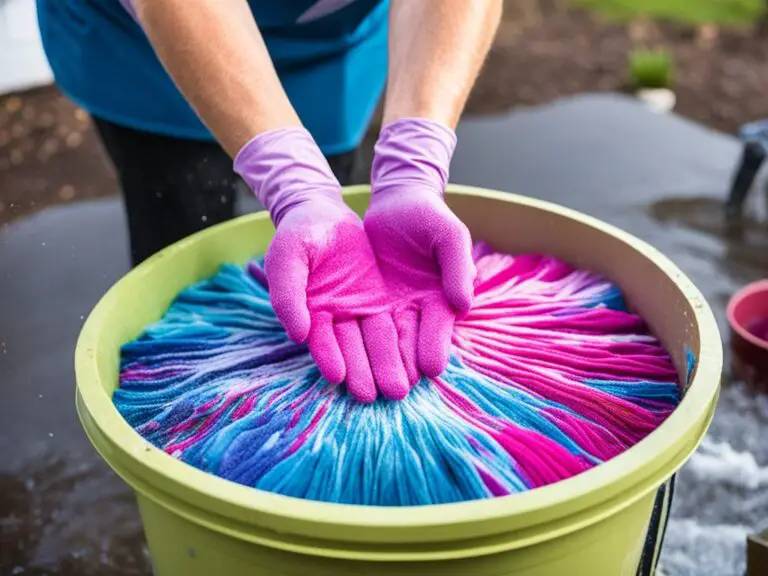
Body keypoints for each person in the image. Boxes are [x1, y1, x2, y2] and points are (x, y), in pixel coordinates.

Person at [37, 0, 503, 402]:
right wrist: (293, 180)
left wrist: (412, 166)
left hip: (327, 40)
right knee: (178, 228)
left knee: (321, 228)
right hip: (146, 47)